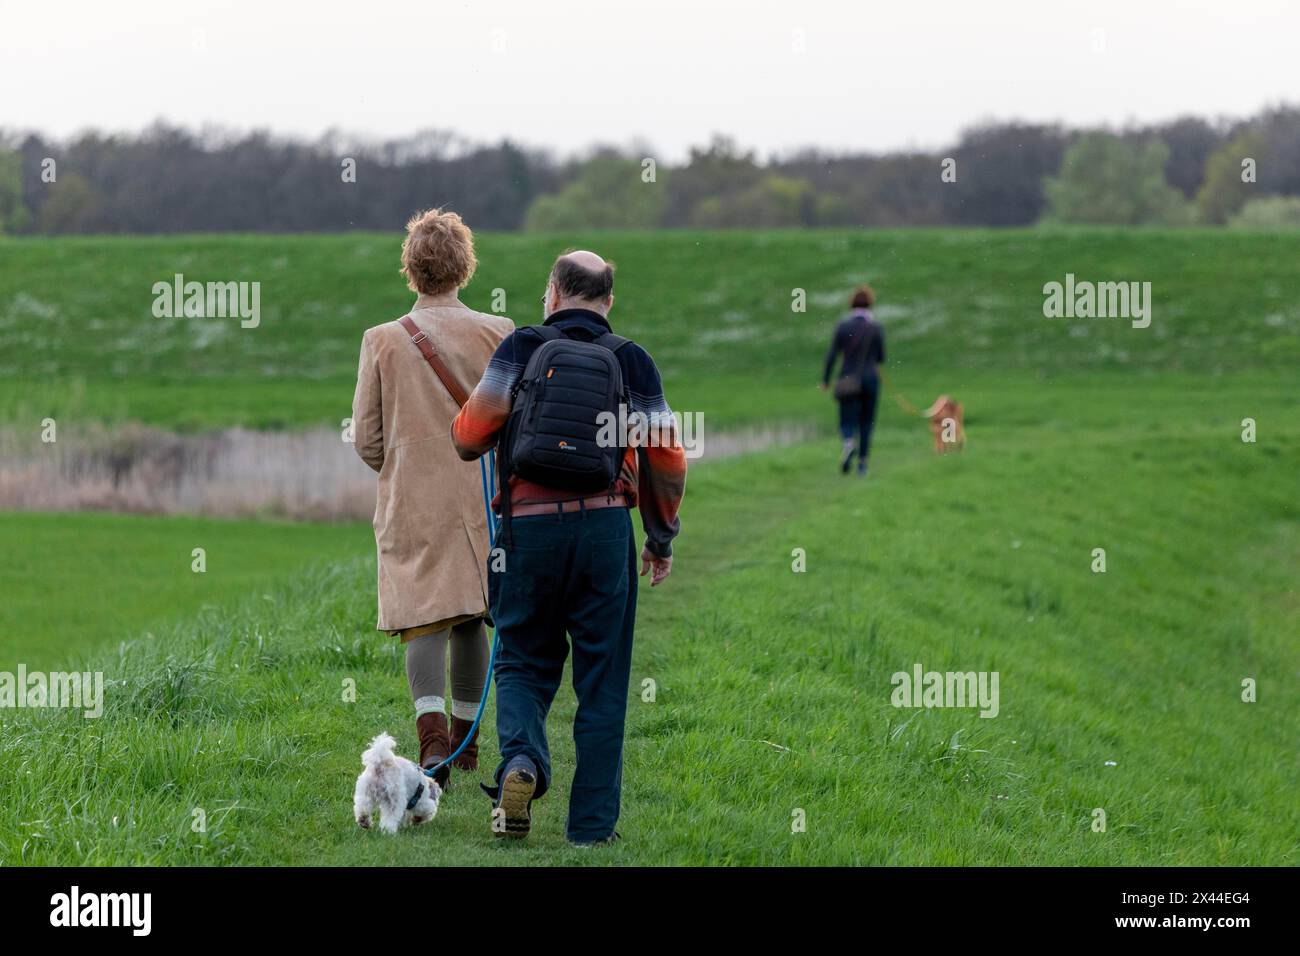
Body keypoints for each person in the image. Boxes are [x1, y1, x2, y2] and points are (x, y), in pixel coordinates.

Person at [451, 250, 686, 847]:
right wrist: (659, 538)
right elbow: (666, 457)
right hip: (605, 529)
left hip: (527, 531)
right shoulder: (633, 360)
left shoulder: (520, 349)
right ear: (609, 301)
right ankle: (589, 831)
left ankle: (522, 764)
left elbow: (471, 435)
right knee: (603, 680)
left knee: (521, 659)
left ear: (552, 293)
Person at [351, 208, 514, 789]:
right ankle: (467, 749)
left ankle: (432, 746)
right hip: (483, 496)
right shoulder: (501, 333)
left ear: (411, 270)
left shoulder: (381, 341)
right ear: (464, 267)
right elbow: (513, 422)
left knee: (424, 620)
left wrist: (403, 465)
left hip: (412, 498)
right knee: (472, 616)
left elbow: (367, 438)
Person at [821, 284, 886, 476]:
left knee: (846, 419)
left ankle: (849, 442)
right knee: (867, 422)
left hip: (848, 379)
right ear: (870, 304)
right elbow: (881, 357)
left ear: (852, 304)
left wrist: (825, 380)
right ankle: (863, 465)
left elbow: (832, 355)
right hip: (870, 380)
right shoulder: (876, 328)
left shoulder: (843, 326)